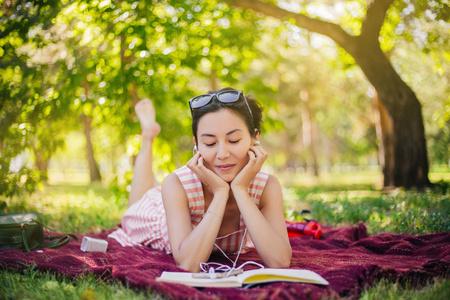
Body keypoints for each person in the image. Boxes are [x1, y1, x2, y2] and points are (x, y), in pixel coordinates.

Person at [109, 88, 292, 272]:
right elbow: (189, 264)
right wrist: (221, 192)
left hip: (181, 198)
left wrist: (240, 190)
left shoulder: (267, 186)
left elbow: (280, 261)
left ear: (255, 138)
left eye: (234, 140)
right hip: (159, 214)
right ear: (196, 144)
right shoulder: (176, 184)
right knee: (134, 207)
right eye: (210, 143)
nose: (222, 154)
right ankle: (148, 136)